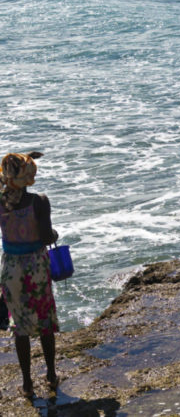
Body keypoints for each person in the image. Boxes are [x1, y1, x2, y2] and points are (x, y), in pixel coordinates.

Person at [0, 152, 59, 399]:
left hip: (10, 268)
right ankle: (51, 375)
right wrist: (55, 235)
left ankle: (27, 383)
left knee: (20, 327)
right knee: (44, 322)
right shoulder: (39, 201)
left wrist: (19, 160)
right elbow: (46, 237)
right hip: (35, 267)